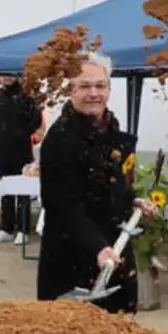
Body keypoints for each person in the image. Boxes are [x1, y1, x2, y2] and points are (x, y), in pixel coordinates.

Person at [37, 52, 156, 315]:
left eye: (101, 86)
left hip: (115, 248)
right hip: (73, 254)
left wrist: (131, 199)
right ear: (70, 90)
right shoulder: (60, 139)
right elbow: (62, 205)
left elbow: (110, 183)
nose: (94, 93)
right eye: (85, 86)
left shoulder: (110, 128)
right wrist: (97, 247)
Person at [0, 77, 44, 245]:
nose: (7, 78)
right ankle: (7, 228)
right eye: (4, 75)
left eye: (10, 74)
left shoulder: (27, 94)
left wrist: (21, 133)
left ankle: (23, 229)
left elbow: (36, 120)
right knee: (6, 189)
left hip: (21, 150)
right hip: (1, 149)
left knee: (22, 190)